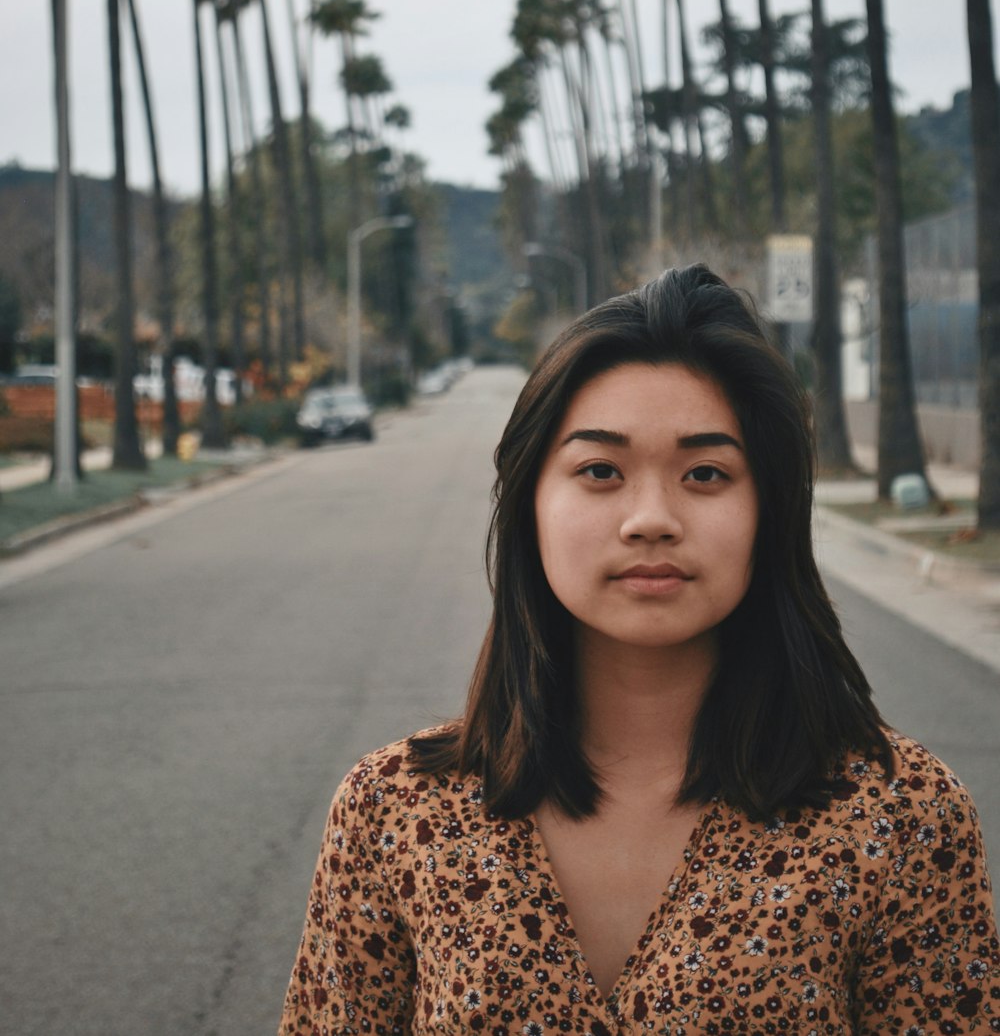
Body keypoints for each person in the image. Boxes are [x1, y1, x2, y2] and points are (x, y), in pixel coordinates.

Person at [278, 264, 999, 1035]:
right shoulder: (394, 810)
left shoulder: (900, 814)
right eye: (600, 471)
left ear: (771, 508)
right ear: (530, 505)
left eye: (705, 473)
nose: (650, 518)